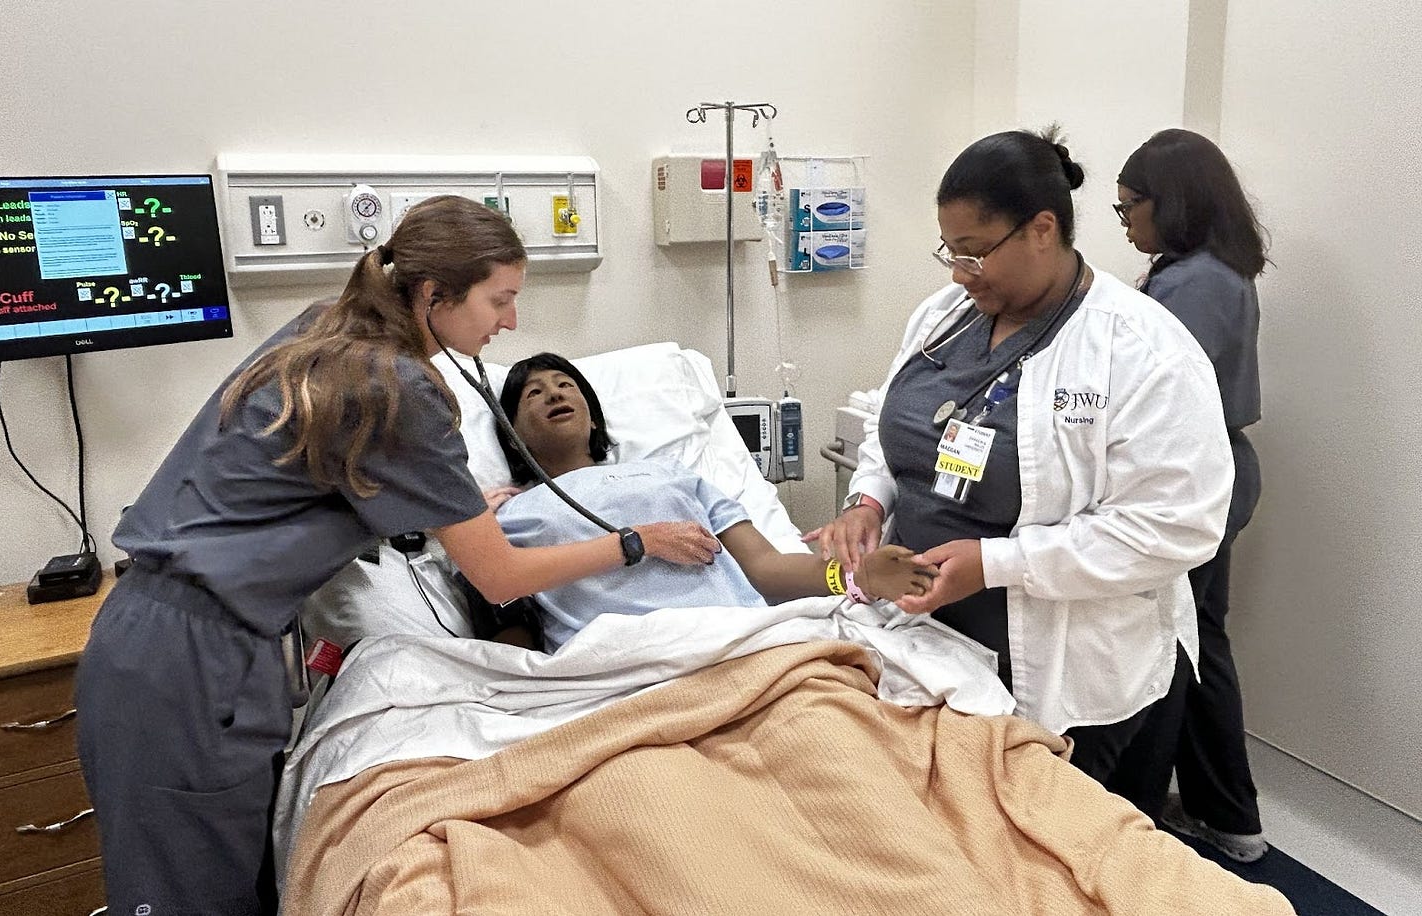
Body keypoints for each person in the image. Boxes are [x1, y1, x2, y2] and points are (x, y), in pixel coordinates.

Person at [72, 196, 720, 916]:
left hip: (171, 641)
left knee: (226, 885)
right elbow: (498, 577)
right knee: (191, 897)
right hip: (189, 665)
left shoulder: (328, 328)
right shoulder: (399, 389)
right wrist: (635, 542)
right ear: (433, 294)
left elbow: (316, 476)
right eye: (499, 300)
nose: (510, 322)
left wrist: (448, 506)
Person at [811, 127, 1234, 786]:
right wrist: (866, 502)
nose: (959, 273)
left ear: (1042, 229)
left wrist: (995, 563)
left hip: (1066, 675)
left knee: (1047, 836)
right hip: (931, 648)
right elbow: (892, 432)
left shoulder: (1142, 350)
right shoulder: (943, 316)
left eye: (975, 253)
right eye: (950, 252)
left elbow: (1175, 527)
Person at [483, 352, 935, 651]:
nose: (555, 394)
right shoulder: (509, 515)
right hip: (619, 668)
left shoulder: (670, 475)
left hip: (736, 645)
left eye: (566, 385)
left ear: (595, 420)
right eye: (534, 394)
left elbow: (767, 570)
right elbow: (506, 622)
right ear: (512, 433)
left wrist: (859, 577)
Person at [1112, 128, 1268, 862]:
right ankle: (1226, 814)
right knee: (1199, 639)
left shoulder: (1192, 286)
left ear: (1168, 203)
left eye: (1129, 208)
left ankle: (1141, 816)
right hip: (1213, 476)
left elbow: (1152, 402)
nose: (1125, 223)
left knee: (1170, 648)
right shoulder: (1210, 271)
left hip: (1189, 480)